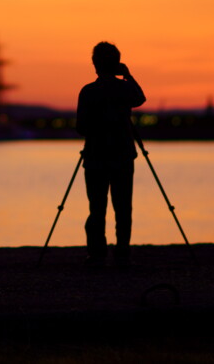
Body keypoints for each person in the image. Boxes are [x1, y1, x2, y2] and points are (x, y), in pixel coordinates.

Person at [76, 41, 146, 267]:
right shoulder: (124, 89)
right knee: (123, 207)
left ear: (95, 64)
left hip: (95, 156)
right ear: (117, 63)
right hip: (123, 155)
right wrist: (127, 75)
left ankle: (97, 254)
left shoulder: (88, 91)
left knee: (96, 207)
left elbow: (81, 127)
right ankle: (122, 253)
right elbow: (140, 98)